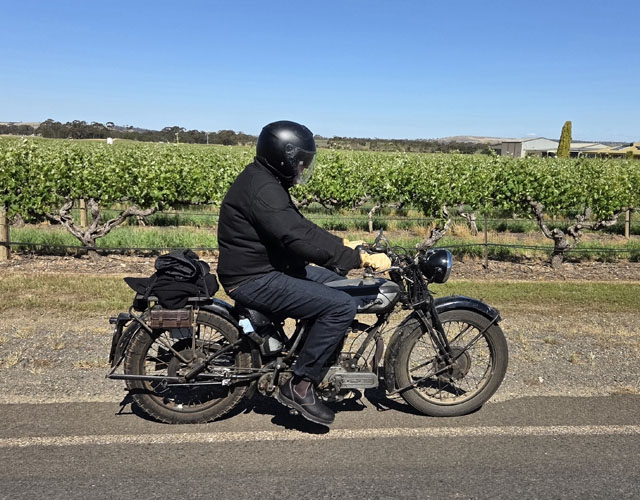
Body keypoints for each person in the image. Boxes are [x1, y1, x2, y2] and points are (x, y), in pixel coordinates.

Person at [216, 120, 390, 425]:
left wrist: (343, 245)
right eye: (299, 162)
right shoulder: (264, 189)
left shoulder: (265, 179)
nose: (302, 168)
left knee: (339, 284)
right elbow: (295, 237)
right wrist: (356, 258)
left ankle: (311, 355)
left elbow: (301, 227)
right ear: (282, 156)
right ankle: (300, 384)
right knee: (341, 306)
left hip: (268, 268)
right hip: (253, 278)